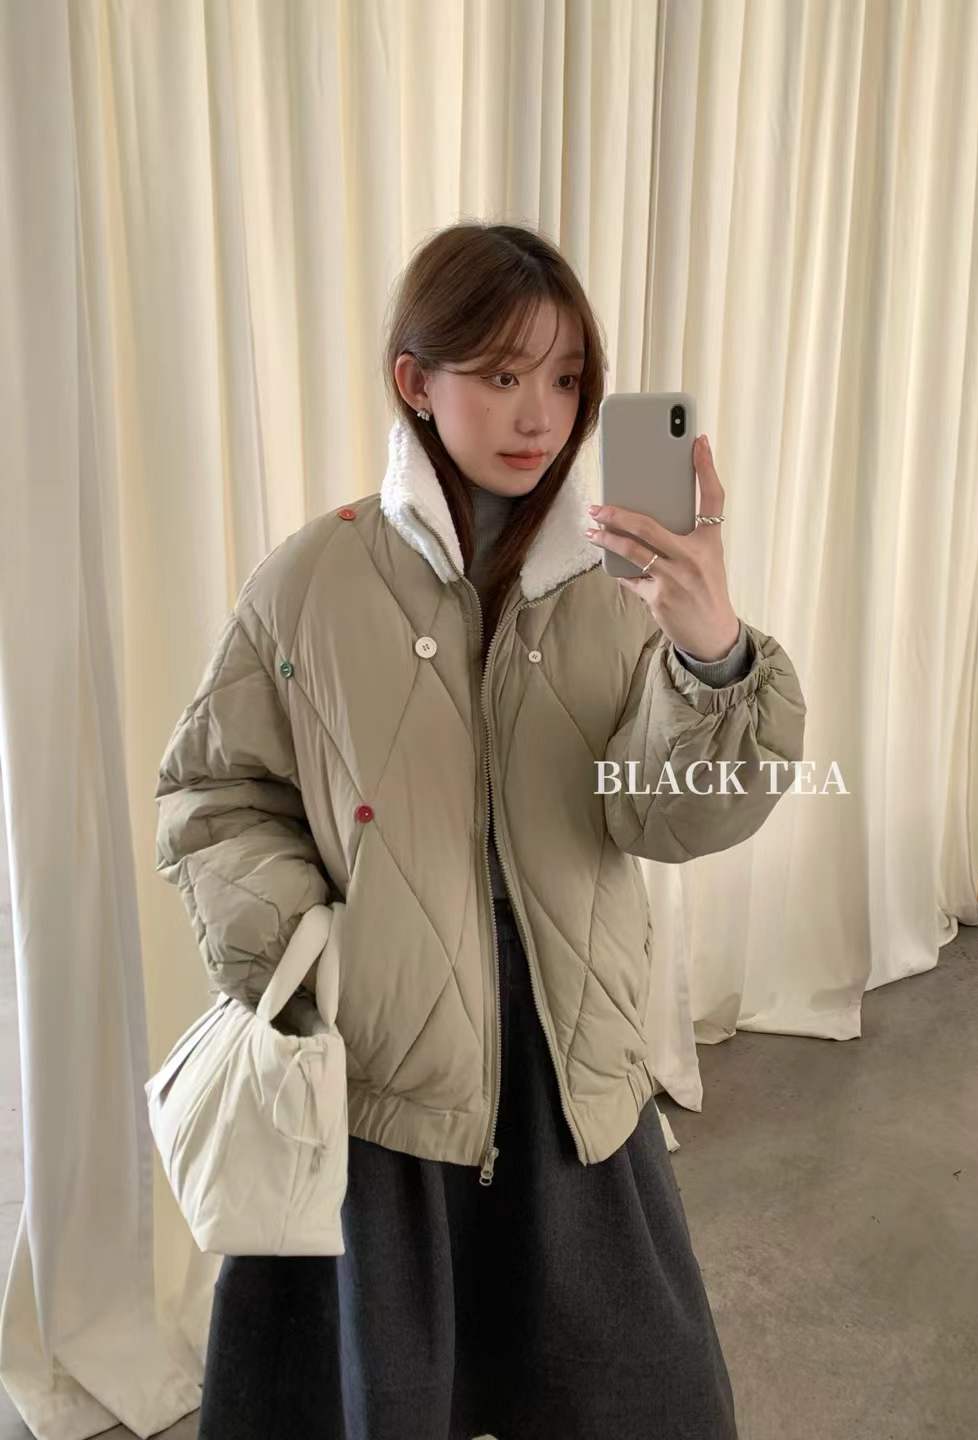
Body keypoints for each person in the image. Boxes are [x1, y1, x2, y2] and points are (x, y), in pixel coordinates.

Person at [154, 220, 806, 1440]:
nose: (539, 415)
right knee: (382, 1399)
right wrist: (311, 954)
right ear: (417, 380)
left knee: (641, 1396)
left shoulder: (624, 586)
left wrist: (713, 649)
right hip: (383, 1081)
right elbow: (215, 795)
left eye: (566, 379)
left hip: (571, 1062)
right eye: (502, 374)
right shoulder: (310, 580)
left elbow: (669, 820)